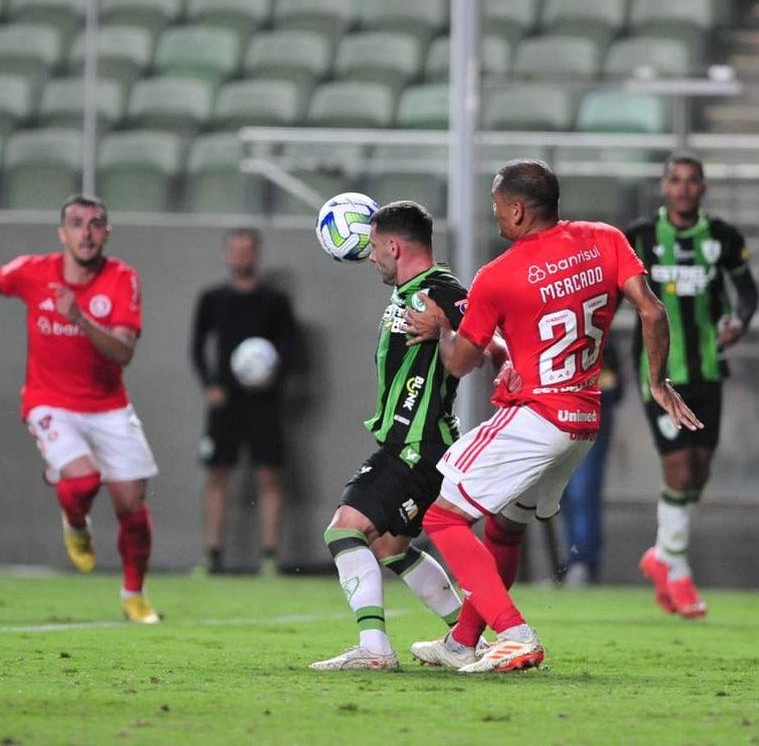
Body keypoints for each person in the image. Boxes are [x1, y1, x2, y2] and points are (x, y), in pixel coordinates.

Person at [404, 160, 701, 673]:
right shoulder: (605, 239)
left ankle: (515, 632)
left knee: (440, 513)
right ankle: (460, 643)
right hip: (584, 419)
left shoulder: (497, 275)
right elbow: (652, 311)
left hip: (536, 414)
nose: (494, 216)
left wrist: (441, 330)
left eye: (497, 207)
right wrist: (657, 382)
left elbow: (461, 362)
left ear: (517, 210)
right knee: (504, 529)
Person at [0, 194, 161, 625]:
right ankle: (75, 522)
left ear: (107, 233)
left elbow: (123, 354)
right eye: (77, 224)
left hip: (108, 406)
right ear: (61, 233)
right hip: (50, 402)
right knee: (82, 481)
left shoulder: (122, 279)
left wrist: (79, 318)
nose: (87, 232)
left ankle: (133, 594)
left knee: (132, 504)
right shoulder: (32, 271)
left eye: (96, 223)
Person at [309, 200, 484, 671]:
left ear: (393, 245)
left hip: (416, 445)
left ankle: (374, 650)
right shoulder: (415, 289)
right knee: (389, 547)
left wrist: (447, 328)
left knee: (345, 530)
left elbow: (485, 349)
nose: (369, 257)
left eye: (374, 247)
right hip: (413, 443)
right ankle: (464, 637)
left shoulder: (442, 291)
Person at [622, 152, 759, 618]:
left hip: (708, 371)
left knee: (698, 472)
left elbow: (748, 291)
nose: (682, 188)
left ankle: (660, 555)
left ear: (703, 188)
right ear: (664, 186)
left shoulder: (722, 237)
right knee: (679, 471)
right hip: (661, 377)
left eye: (691, 181)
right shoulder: (639, 237)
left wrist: (739, 321)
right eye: (675, 180)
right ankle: (677, 570)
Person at [191, 228, 298, 575]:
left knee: (270, 476)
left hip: (264, 402)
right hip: (225, 402)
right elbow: (197, 347)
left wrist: (273, 380)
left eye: (247, 250)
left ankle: (269, 556)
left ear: (256, 253)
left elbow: (291, 350)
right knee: (218, 475)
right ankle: (212, 554)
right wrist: (210, 384)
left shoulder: (275, 300)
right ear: (226, 254)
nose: (241, 256)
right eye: (235, 250)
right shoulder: (212, 298)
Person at [559, 337, 623, 587]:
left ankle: (583, 562)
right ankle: (575, 559)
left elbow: (612, 385)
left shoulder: (598, 334)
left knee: (582, 490)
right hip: (556, 413)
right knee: (564, 493)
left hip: (588, 414)